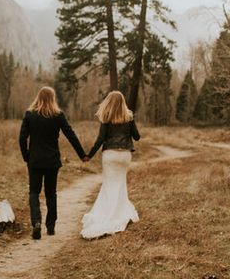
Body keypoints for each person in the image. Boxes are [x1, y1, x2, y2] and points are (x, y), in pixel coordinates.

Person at [18, 87, 86, 240]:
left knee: (34, 192)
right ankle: (50, 226)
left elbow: (22, 138)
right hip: (52, 161)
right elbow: (71, 135)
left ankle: (36, 222)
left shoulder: (30, 115)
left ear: (38, 97)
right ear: (53, 98)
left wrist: (26, 156)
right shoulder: (58, 115)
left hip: (34, 160)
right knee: (51, 193)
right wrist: (82, 155)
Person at [81, 91, 140, 240]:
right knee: (120, 184)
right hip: (125, 155)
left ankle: (108, 213)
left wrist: (89, 155)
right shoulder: (129, 117)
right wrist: (129, 126)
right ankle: (120, 212)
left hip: (110, 155)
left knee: (109, 184)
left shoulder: (107, 118)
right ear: (123, 102)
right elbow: (137, 136)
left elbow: (100, 139)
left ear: (109, 102)